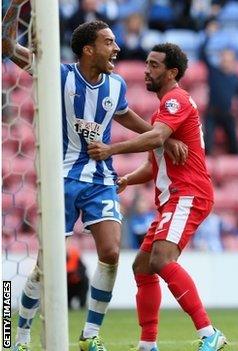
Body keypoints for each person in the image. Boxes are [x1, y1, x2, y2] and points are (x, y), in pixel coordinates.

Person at [3, 4, 186, 350]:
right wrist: (12, 10)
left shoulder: (115, 85)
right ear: (89, 49)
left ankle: (89, 335)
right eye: (108, 42)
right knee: (47, 265)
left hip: (101, 178)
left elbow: (126, 115)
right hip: (61, 180)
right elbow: (7, 48)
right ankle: (18, 334)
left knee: (111, 252)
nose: (116, 48)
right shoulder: (58, 75)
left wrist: (163, 137)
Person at [87, 43, 227, 351]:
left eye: (153, 65)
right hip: (172, 198)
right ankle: (147, 344)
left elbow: (156, 137)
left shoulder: (176, 100)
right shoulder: (163, 111)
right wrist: (126, 179)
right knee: (143, 266)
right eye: (147, 64)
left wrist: (111, 149)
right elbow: (154, 165)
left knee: (162, 260)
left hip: (188, 193)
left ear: (171, 72)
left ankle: (209, 334)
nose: (146, 70)